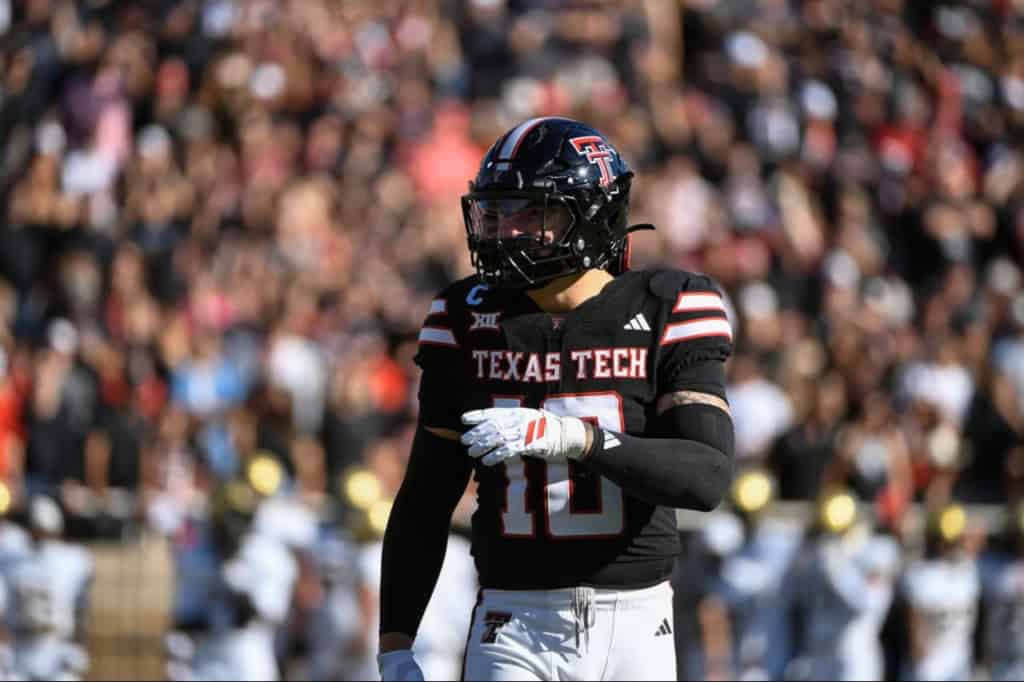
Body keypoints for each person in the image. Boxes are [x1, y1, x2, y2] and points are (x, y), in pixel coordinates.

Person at [377, 117, 736, 681]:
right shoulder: (465, 317)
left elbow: (707, 476)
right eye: (494, 212)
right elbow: (426, 497)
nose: (502, 231)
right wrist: (395, 643)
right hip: (513, 621)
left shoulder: (671, 304)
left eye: (529, 212)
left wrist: (574, 438)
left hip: (637, 621)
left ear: (589, 214)